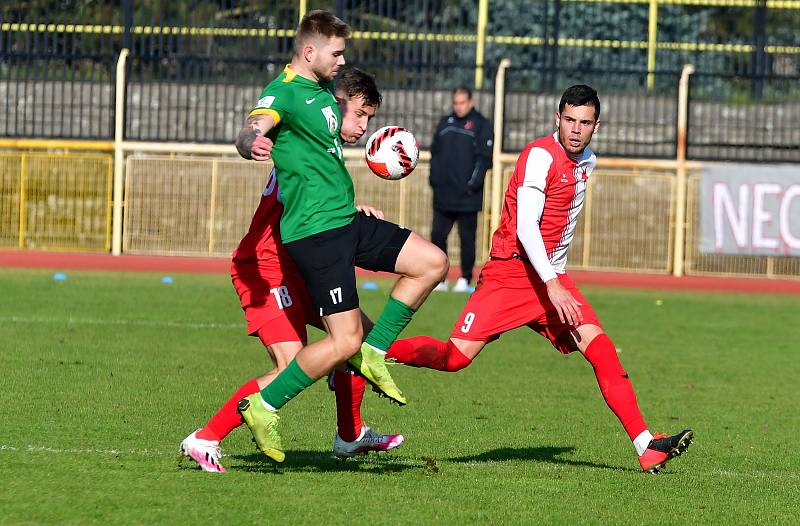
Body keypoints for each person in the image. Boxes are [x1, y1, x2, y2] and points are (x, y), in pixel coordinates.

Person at [385, 85, 694, 474]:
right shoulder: (538, 157)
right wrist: (552, 283)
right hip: (511, 274)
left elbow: (559, 227)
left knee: (601, 349)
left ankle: (646, 445)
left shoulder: (588, 162)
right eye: (569, 120)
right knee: (454, 358)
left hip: (551, 276)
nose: (576, 129)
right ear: (557, 119)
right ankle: (376, 353)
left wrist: (555, 277)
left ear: (596, 125)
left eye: (585, 122)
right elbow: (528, 226)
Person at [233, 10, 448, 463]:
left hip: (344, 222)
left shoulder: (324, 97)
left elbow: (332, 141)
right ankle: (264, 406)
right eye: (336, 52)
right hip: (317, 234)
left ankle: (372, 356)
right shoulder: (285, 93)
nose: (341, 58)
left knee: (432, 262)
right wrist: (249, 140)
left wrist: (363, 141)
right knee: (342, 342)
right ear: (309, 52)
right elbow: (257, 120)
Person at [179, 67, 404, 473]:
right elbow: (301, 197)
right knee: (293, 366)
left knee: (358, 340)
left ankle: (350, 436)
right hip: (267, 269)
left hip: (299, 266)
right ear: (335, 108)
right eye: (359, 115)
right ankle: (205, 437)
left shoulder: (323, 148)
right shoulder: (301, 143)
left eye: (369, 118)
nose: (364, 127)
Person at [429, 86, 493, 293]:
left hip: (467, 197)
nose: (458, 107)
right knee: (437, 235)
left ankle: (465, 278)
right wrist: (435, 180)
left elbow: (484, 159)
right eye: (455, 103)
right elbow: (435, 153)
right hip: (443, 195)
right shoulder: (445, 123)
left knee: (467, 239)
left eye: (462, 102)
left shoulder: (481, 124)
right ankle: (440, 279)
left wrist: (471, 185)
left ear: (470, 102)